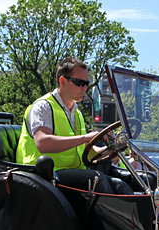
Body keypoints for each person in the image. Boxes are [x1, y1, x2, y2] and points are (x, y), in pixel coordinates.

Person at [16, 57, 127, 194]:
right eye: (79, 83)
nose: (84, 88)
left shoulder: (77, 113)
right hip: (43, 175)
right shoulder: (43, 107)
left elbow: (88, 153)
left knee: (120, 185)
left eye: (86, 83)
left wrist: (111, 149)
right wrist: (86, 137)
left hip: (71, 173)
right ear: (62, 81)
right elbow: (43, 143)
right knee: (96, 179)